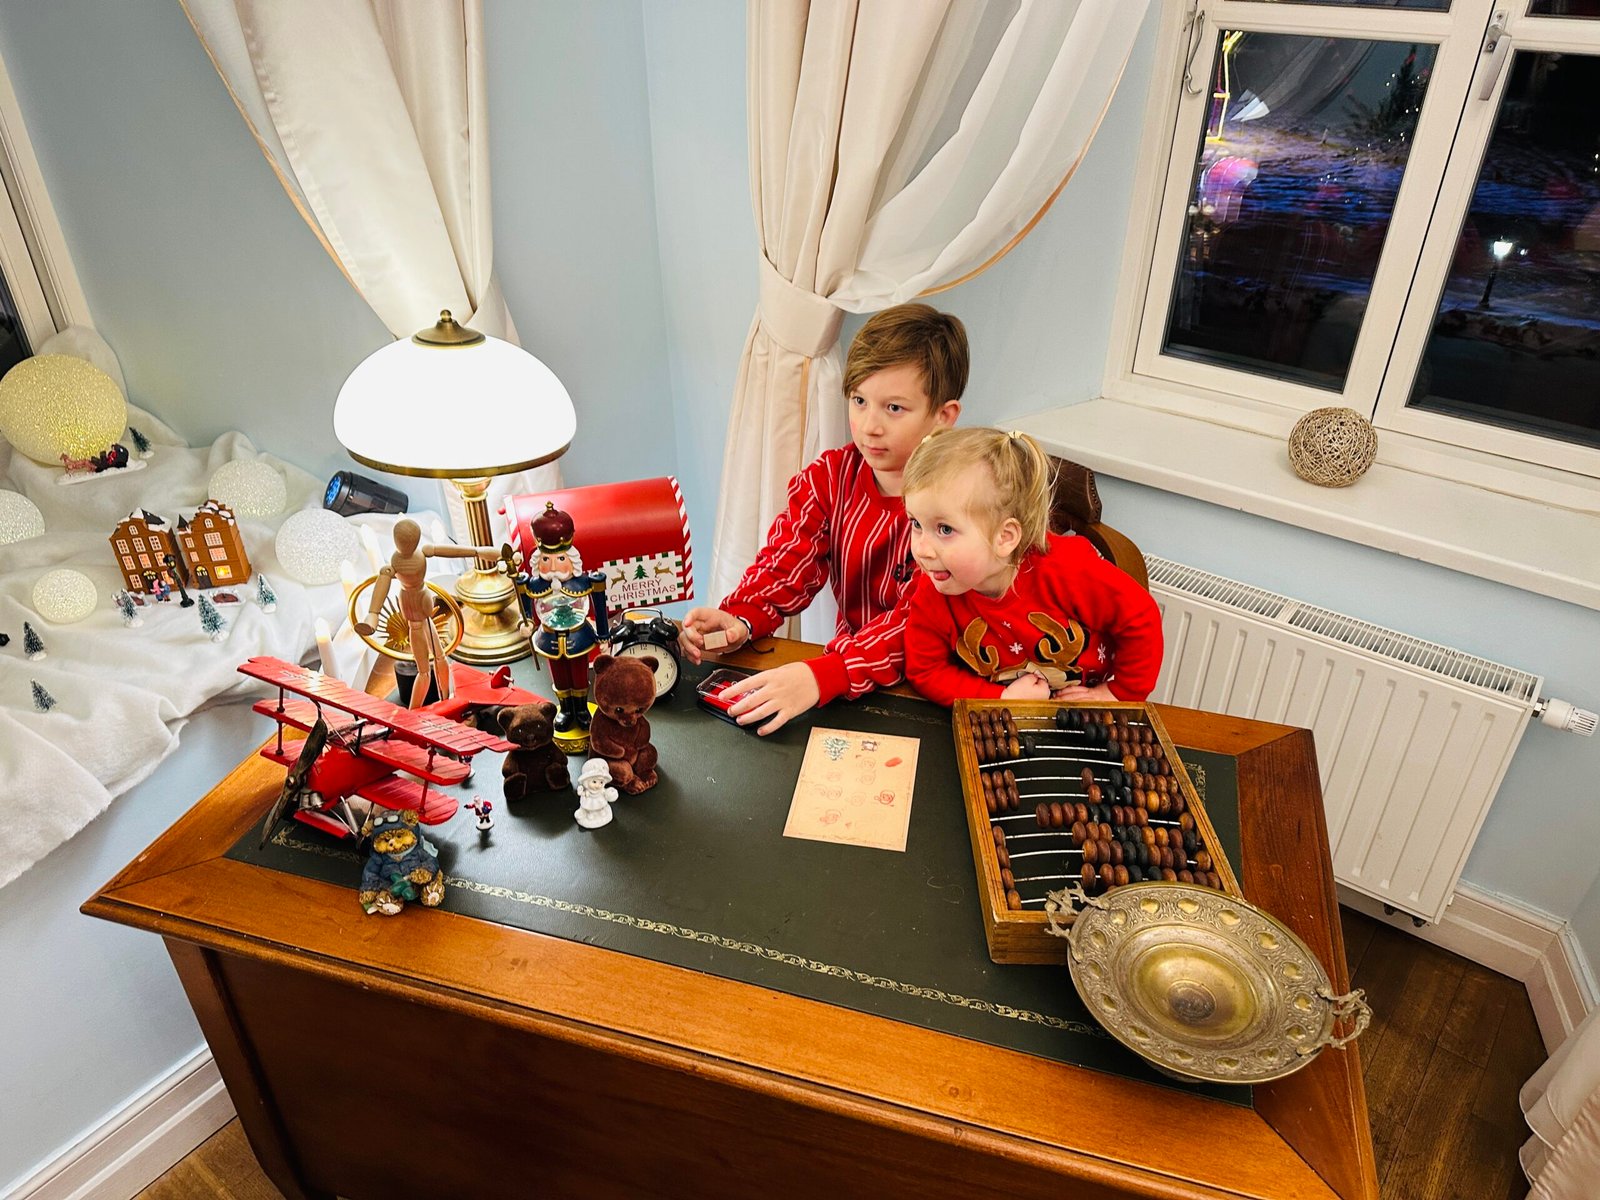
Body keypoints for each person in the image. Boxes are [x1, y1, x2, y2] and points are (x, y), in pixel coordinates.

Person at [679, 303, 968, 734]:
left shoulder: (963, 504)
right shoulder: (832, 477)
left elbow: (917, 627)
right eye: (859, 401)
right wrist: (742, 616)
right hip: (851, 678)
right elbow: (787, 562)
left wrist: (821, 674)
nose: (869, 426)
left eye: (894, 408)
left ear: (943, 417)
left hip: (940, 689)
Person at [900, 428, 1163, 706]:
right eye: (916, 524)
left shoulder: (1068, 569)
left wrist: (1118, 693)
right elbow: (925, 670)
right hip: (1000, 716)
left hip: (1082, 710)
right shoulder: (935, 588)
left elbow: (1141, 618)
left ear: (1005, 537)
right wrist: (1002, 697)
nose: (922, 550)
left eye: (944, 529)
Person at [355, 518, 495, 709]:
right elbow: (383, 583)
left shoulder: (408, 558)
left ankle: (445, 701)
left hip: (421, 607)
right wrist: (372, 615)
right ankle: (414, 712)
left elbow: (450, 552)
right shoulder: (397, 563)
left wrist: (478, 552)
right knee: (426, 669)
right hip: (414, 612)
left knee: (438, 660)